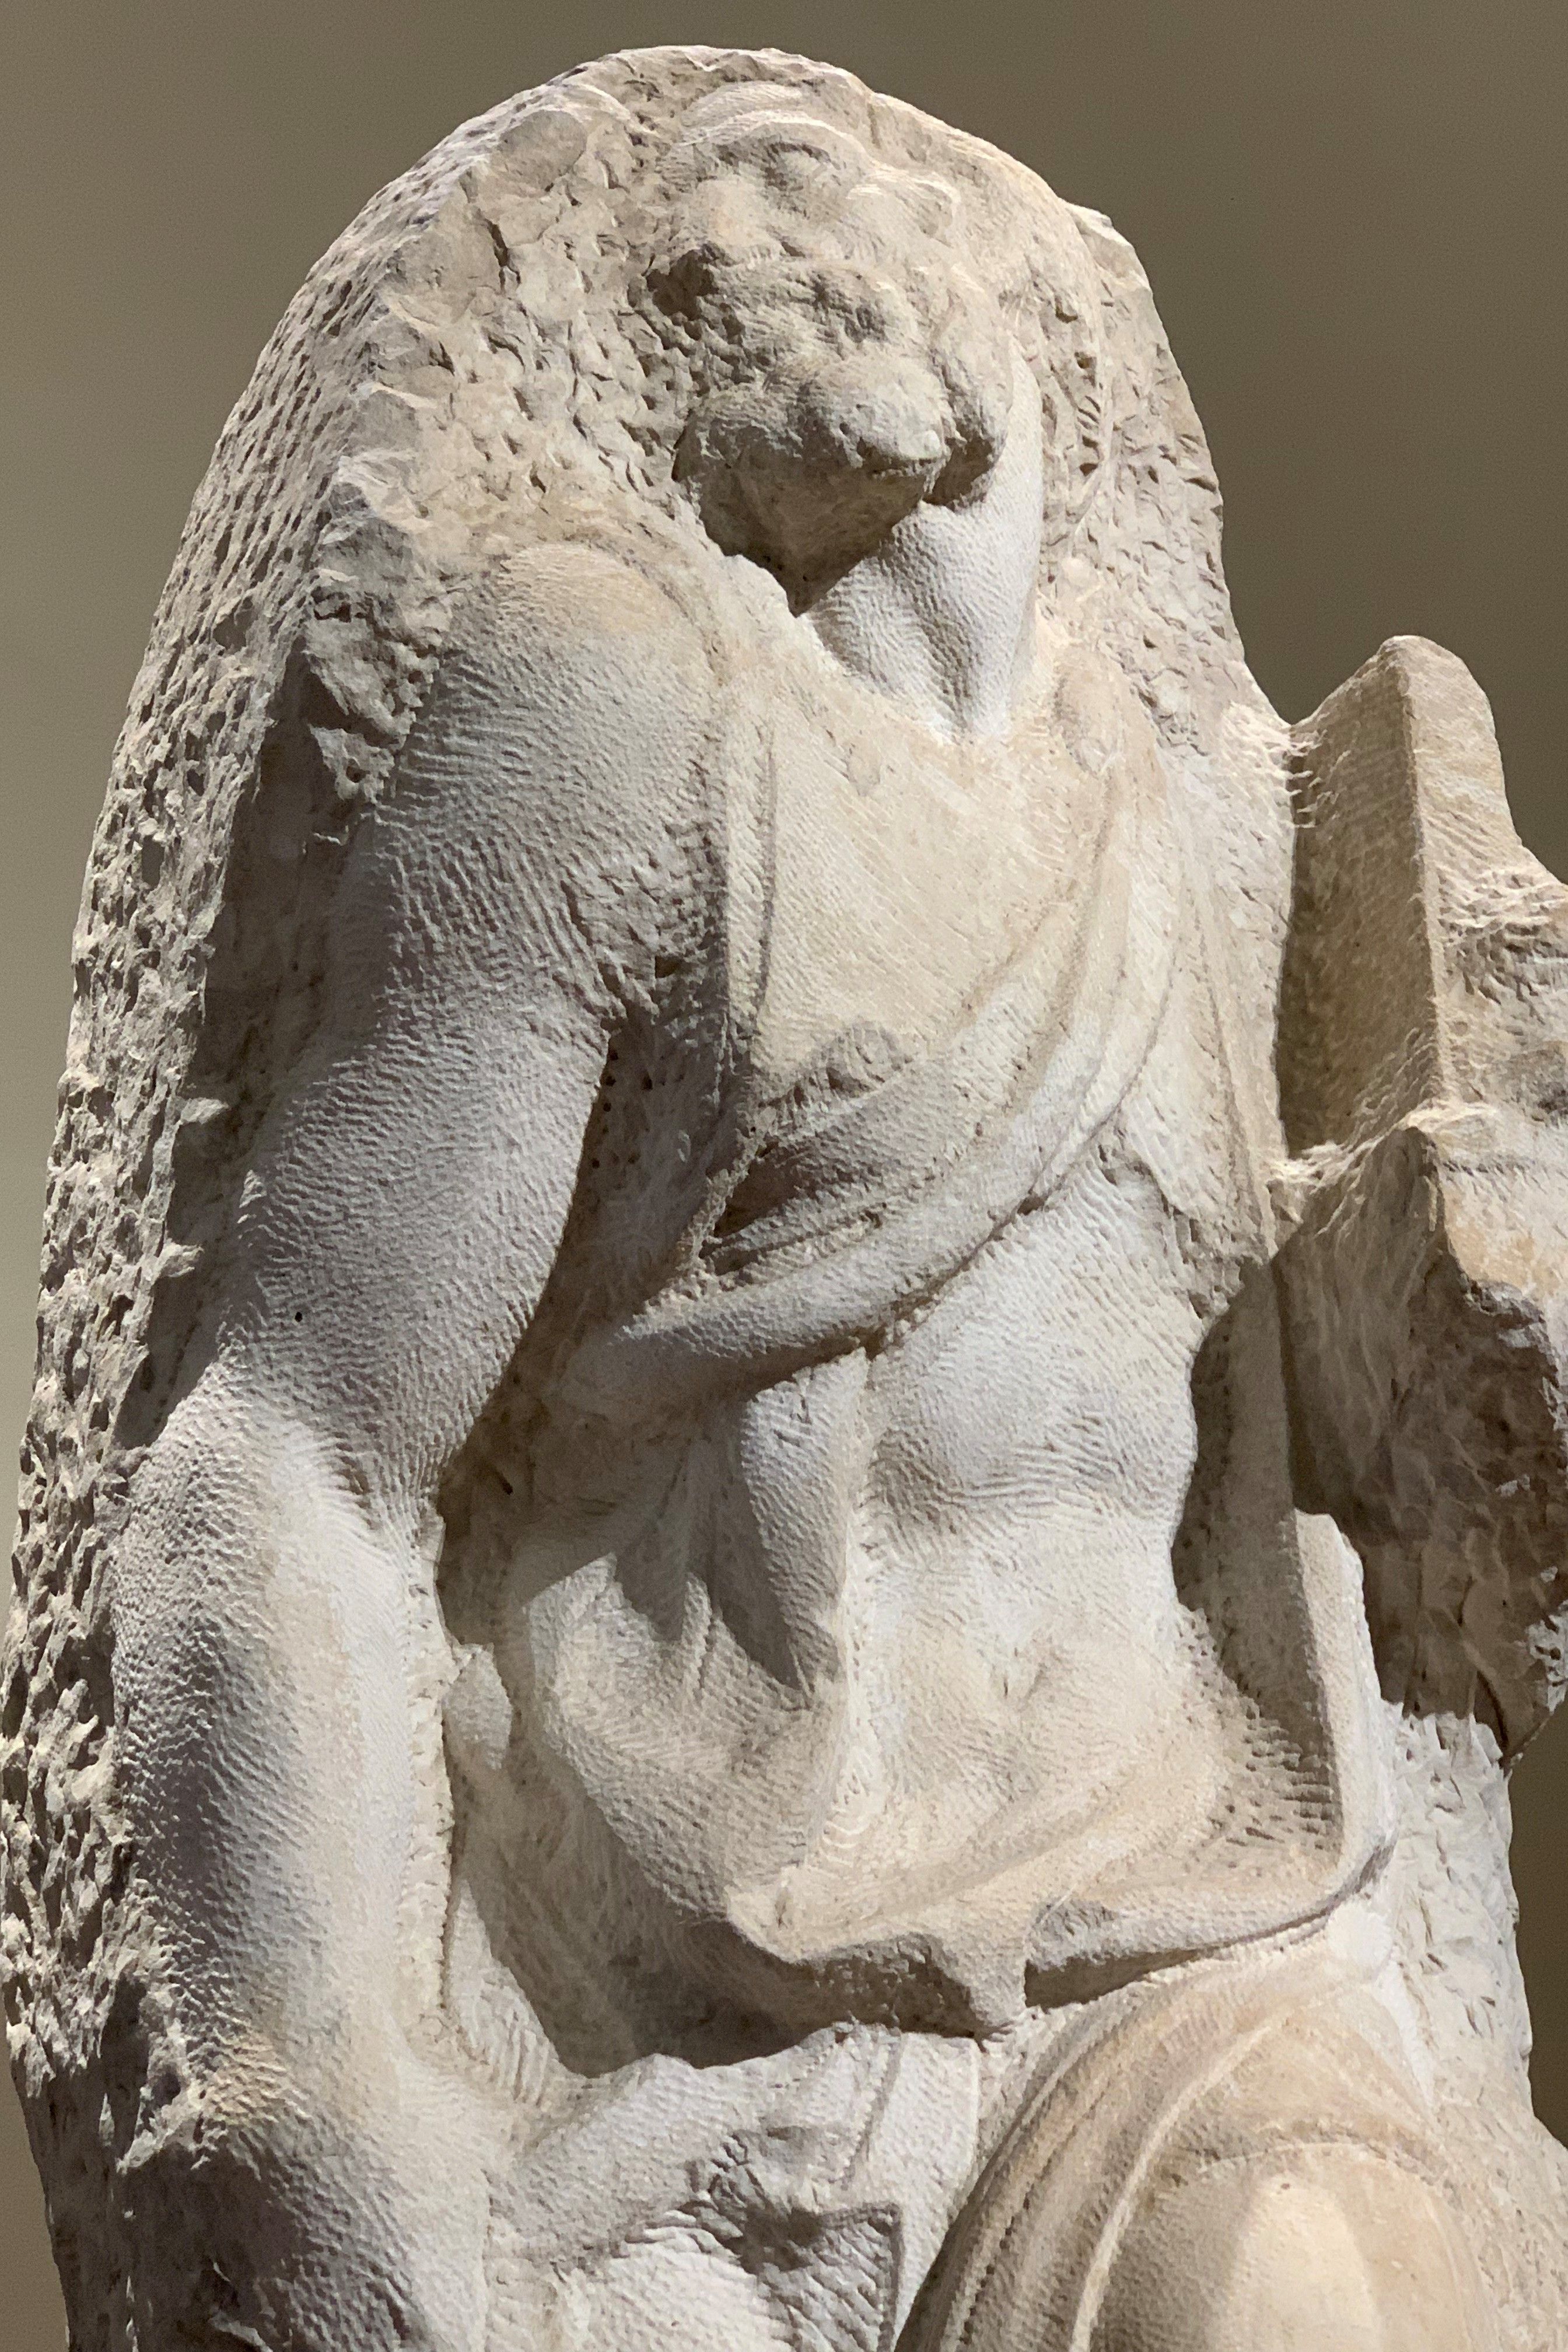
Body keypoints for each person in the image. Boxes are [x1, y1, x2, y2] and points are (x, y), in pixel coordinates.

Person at [12, 47, 1566, 2352]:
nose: (741, 253)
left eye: (800, 180)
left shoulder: (1223, 818)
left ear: (1031, 317)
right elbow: (296, 1447)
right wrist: (314, 2093)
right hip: (668, 2021)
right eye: (696, 227)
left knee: (1314, 2302)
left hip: (1188, 1942)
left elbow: (1381, 1454)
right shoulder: (607, 707)